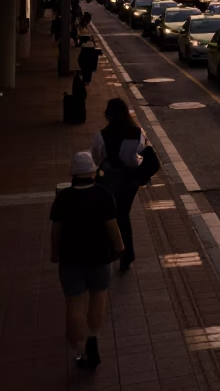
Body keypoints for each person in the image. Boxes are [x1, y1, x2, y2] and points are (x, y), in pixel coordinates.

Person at [50, 151, 123, 369]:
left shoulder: (63, 197)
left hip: (71, 258)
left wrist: (54, 253)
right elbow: (112, 225)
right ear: (92, 172)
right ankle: (93, 337)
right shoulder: (104, 194)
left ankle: (79, 351)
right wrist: (120, 247)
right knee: (98, 298)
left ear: (72, 174)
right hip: (100, 257)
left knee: (74, 304)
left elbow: (56, 230)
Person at [91, 98, 145, 272]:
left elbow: (96, 158)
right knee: (123, 213)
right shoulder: (138, 132)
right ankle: (126, 253)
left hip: (108, 180)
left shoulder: (102, 135)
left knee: (111, 214)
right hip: (130, 181)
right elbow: (141, 155)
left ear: (108, 114)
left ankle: (115, 250)